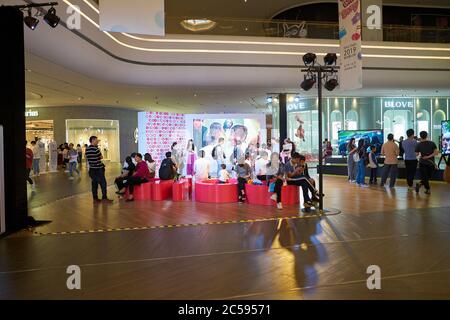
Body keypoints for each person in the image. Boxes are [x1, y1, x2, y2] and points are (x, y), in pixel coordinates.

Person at [85, 136, 113, 203]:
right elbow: (101, 157)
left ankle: (95, 198)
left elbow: (87, 157)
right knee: (103, 183)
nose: (97, 141)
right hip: (98, 169)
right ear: (93, 140)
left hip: (92, 169)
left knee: (94, 184)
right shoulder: (96, 149)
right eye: (96, 140)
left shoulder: (87, 149)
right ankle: (104, 198)